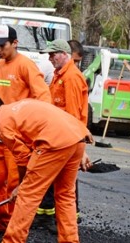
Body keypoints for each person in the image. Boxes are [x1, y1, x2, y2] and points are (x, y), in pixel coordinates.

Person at [0, 93, 93, 243]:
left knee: (27, 196)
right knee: (65, 194)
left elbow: (23, 159)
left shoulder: (2, 125)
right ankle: (70, 240)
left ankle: (12, 241)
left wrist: (21, 186)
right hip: (77, 138)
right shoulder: (20, 106)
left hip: (55, 142)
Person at [0, 24, 52, 236]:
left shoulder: (26, 66)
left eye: (2, 45)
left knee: (15, 185)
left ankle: (14, 229)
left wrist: (37, 129)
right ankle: (0, 223)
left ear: (15, 43)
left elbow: (43, 97)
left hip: (19, 138)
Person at [37, 39, 89, 230]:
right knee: (56, 181)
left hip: (66, 139)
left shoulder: (71, 78)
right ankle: (50, 216)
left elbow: (74, 115)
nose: (50, 58)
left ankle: (65, 222)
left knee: (64, 185)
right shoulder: (60, 75)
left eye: (53, 54)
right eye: (49, 55)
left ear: (65, 54)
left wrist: (78, 147)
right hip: (58, 137)